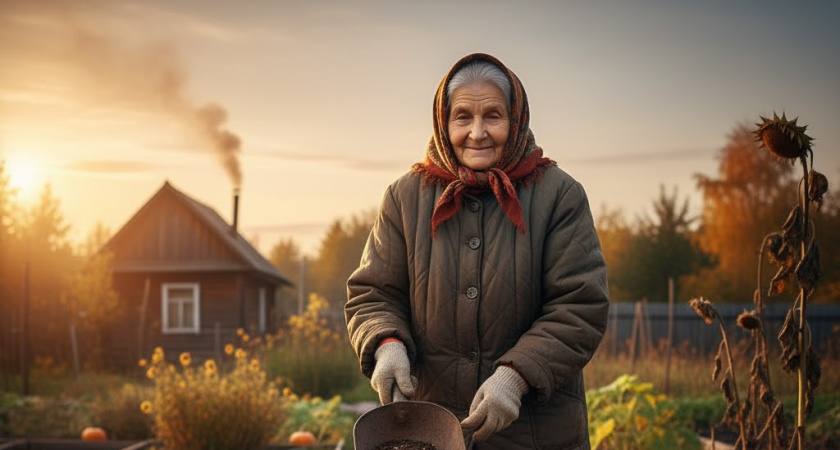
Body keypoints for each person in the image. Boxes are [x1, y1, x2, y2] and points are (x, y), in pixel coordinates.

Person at [345, 52, 609, 450]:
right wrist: (387, 345)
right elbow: (373, 293)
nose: (477, 132)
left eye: (493, 116)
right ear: (443, 121)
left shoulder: (559, 195)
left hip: (536, 434)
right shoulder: (405, 197)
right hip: (432, 430)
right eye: (463, 117)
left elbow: (579, 306)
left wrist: (515, 377)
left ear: (516, 119)